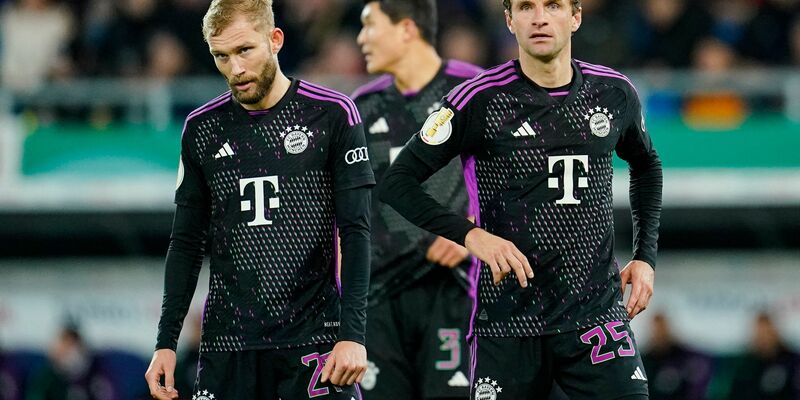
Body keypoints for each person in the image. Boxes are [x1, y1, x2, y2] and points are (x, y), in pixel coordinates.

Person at [379, 0, 663, 399]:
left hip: (594, 314)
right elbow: (397, 182)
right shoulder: (476, 99)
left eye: (553, 6)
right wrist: (471, 236)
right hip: (508, 322)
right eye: (526, 7)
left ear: (576, 17)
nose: (540, 18)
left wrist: (645, 257)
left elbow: (647, 165)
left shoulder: (614, 92)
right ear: (510, 20)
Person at [143, 1, 375, 399]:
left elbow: (355, 232)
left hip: (314, 340)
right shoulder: (201, 130)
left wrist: (353, 335)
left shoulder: (333, 115)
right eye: (221, 56)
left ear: (275, 40)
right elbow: (185, 242)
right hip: (228, 346)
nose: (235, 69)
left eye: (244, 50)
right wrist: (166, 340)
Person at [352, 0, 482, 398]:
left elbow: (518, 185)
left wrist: (473, 231)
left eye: (370, 26)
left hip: (453, 293)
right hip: (378, 303)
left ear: (406, 29)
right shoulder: (360, 107)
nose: (361, 38)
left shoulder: (474, 92)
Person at [728, 312, 800, 400]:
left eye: (767, 332)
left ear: (775, 332)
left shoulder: (792, 362)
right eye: (760, 333)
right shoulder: (746, 365)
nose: (764, 338)